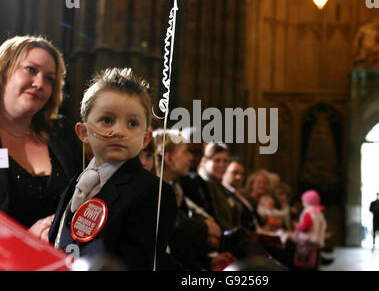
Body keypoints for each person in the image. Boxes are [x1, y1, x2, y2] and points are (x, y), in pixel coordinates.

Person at [48, 67, 177, 270]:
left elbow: (140, 264)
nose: (118, 131)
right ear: (83, 132)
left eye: (132, 123)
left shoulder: (153, 191)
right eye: (107, 120)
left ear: (145, 138)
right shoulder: (75, 183)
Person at [0, 36, 82, 241]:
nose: (39, 84)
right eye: (31, 69)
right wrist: (24, 241)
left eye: (49, 78)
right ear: (4, 70)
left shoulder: (62, 135)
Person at [152, 129, 236, 271]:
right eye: (185, 152)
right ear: (169, 158)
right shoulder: (155, 193)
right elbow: (171, 243)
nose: (191, 157)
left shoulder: (175, 189)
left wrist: (208, 262)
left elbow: (183, 246)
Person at [197, 142, 241, 231]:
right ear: (204, 161)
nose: (222, 165)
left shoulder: (219, 185)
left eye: (225, 161)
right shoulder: (204, 184)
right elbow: (216, 218)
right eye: (217, 160)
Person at [290, 189, 327, 270]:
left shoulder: (308, 212)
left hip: (307, 241)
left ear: (307, 201)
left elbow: (306, 227)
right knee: (314, 262)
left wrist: (297, 226)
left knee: (305, 264)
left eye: (303, 201)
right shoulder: (318, 212)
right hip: (316, 241)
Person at [222, 158, 259, 231]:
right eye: (234, 173)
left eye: (241, 174)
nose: (239, 177)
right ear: (224, 172)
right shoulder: (223, 193)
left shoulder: (242, 194)